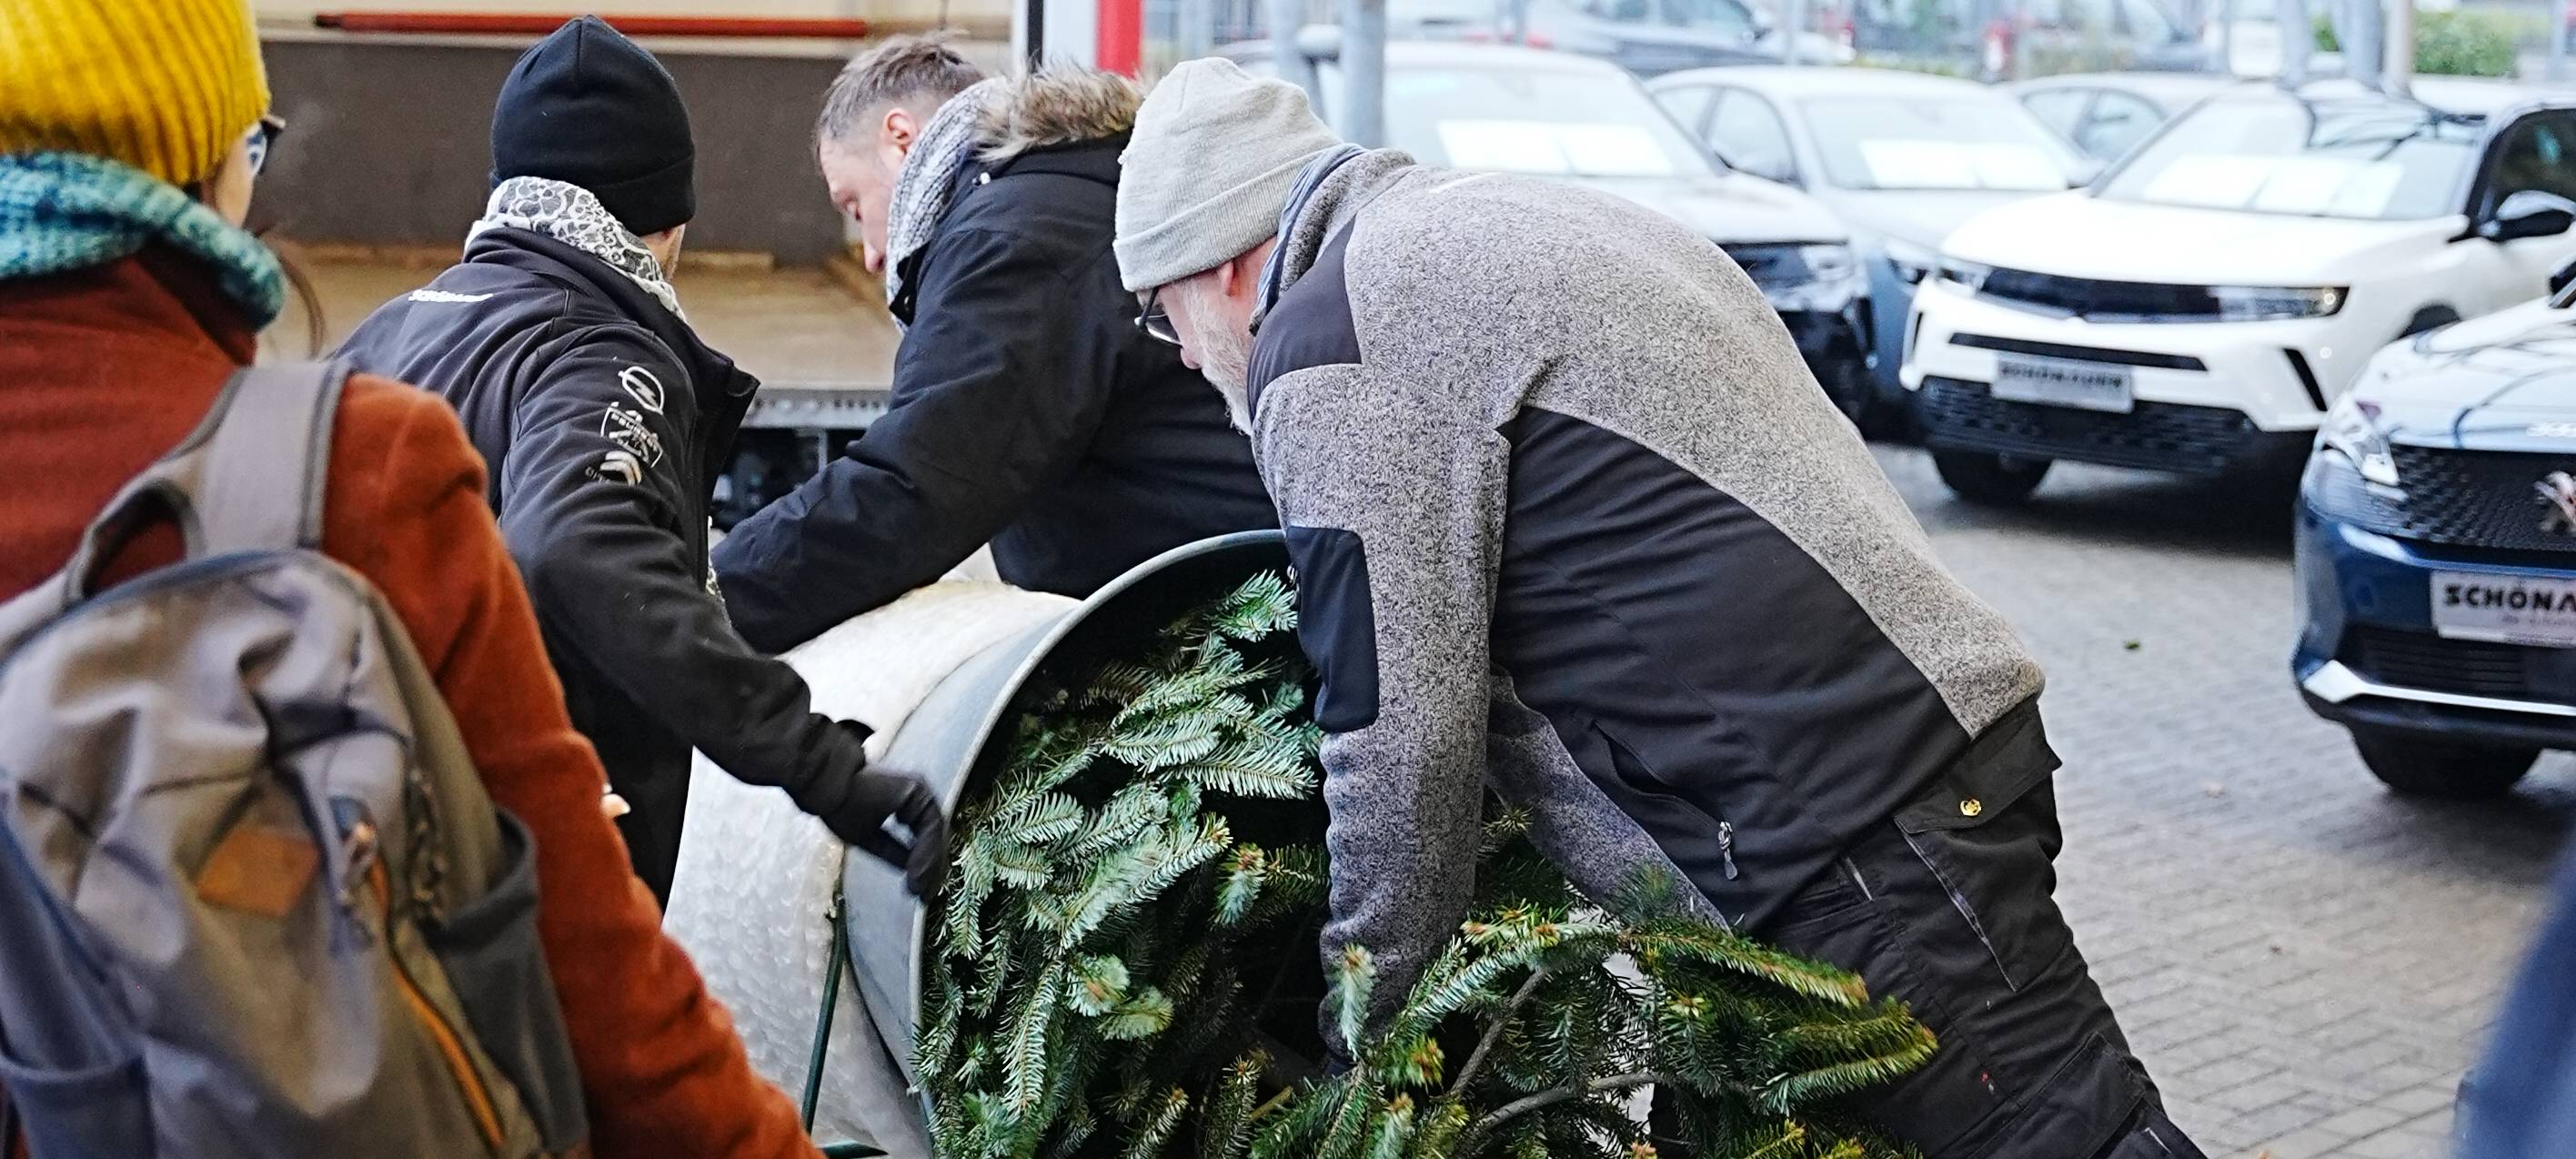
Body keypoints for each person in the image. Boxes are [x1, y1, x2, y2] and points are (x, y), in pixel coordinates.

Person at [1112, 60, 2206, 1159]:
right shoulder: (1501, 216)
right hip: (1898, 773)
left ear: (1230, 263)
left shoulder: (1332, 340)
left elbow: (1397, 732)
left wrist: (1366, 1048)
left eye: (1170, 317)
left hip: (1840, 835)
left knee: (2065, 1135)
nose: (1193, 354)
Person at [0, 1, 820, 1155]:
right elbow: (603, 993)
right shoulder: (343, 464)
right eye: (252, 143)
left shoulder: (378, 345)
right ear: (204, 167)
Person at [334, 17, 943, 907]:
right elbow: (578, 542)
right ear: (671, 222)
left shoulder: (379, 335)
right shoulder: (607, 355)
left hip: (357, 858)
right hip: (521, 887)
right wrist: (821, 764)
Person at [709, 37, 1275, 654]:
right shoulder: (1075, 191)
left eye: (853, 204)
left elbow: (915, 487)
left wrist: (693, 608)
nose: (872, 254)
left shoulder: (1011, 239)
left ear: (901, 138)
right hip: (1241, 603)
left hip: (1223, 643)